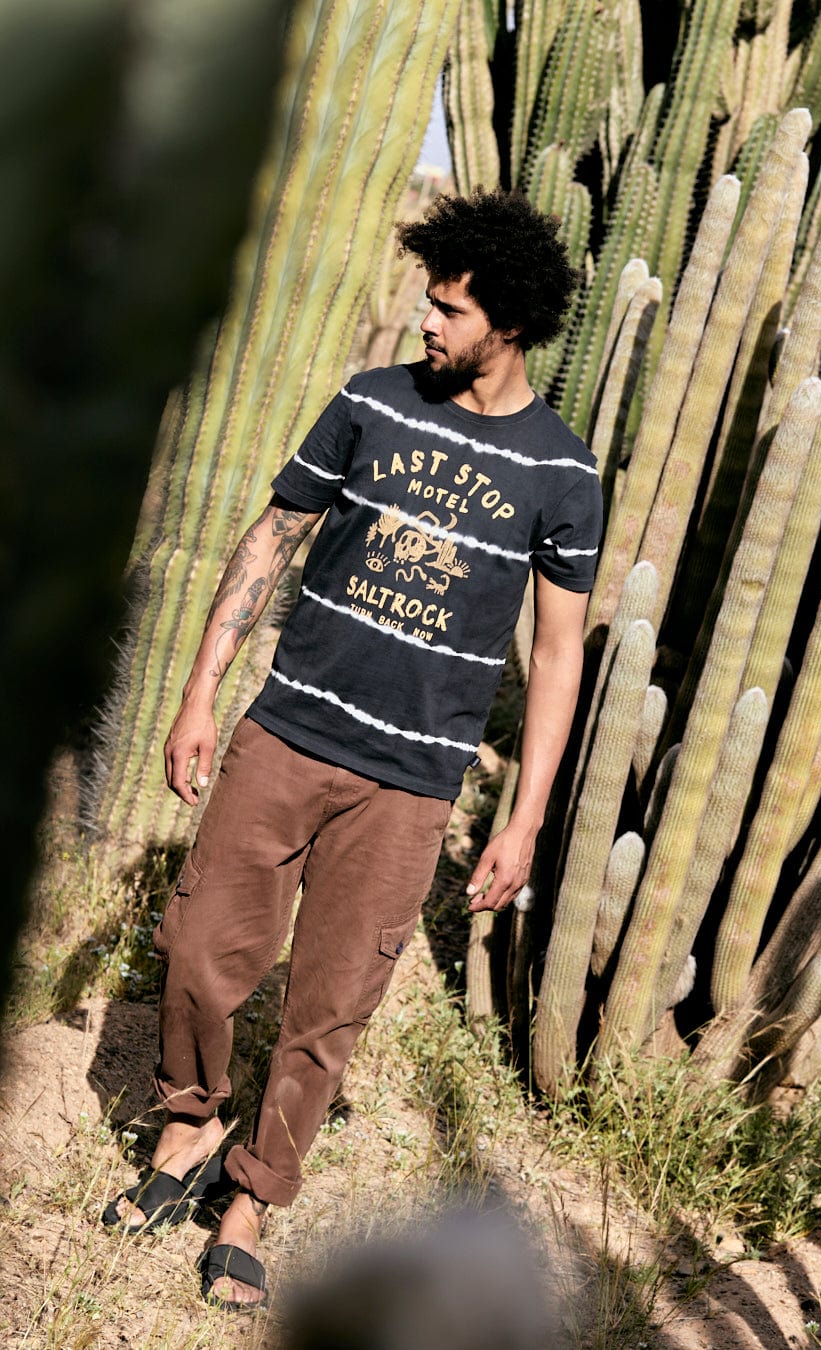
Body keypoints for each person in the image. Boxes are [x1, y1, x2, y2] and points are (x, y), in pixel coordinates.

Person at [102, 189, 603, 1309]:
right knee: (197, 948)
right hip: (287, 730)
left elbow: (560, 656)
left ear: (507, 321)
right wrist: (199, 692)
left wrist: (522, 818)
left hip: (411, 780)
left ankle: (253, 1195)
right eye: (429, 302)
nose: (426, 322)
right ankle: (191, 1123)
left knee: (331, 1009)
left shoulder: (563, 476)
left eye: (448, 308)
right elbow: (273, 536)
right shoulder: (370, 405)